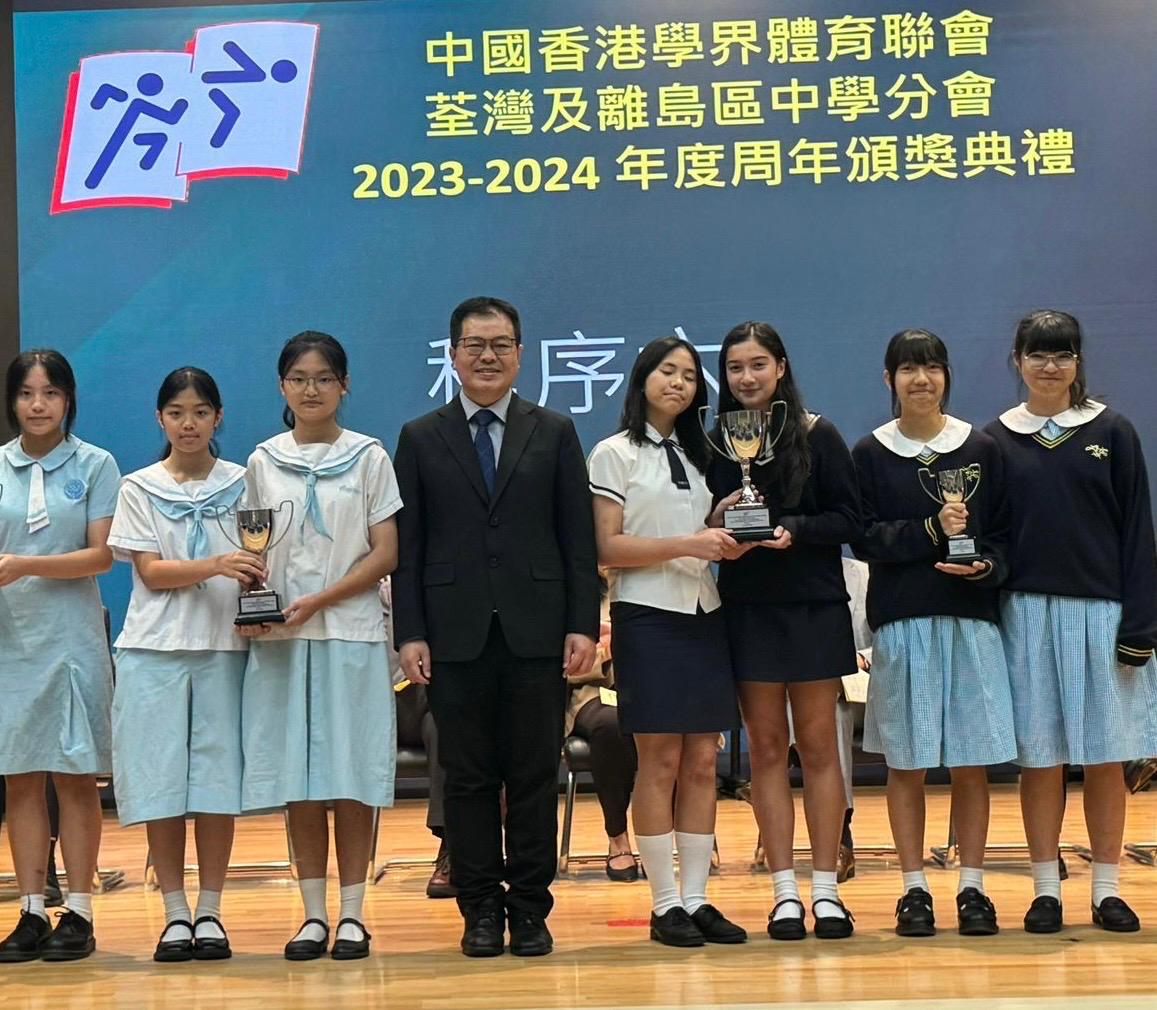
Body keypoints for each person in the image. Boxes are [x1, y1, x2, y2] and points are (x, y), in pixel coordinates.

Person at [393, 296, 599, 958]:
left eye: (501, 344)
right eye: (475, 345)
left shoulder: (554, 431)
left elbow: (576, 539)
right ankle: (479, 907)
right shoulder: (420, 436)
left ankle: (530, 909)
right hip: (452, 635)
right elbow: (409, 547)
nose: (488, 356)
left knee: (534, 774)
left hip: (537, 632)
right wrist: (410, 631)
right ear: (452, 355)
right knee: (467, 778)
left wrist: (582, 623)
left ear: (520, 354)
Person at [986, 310, 1157, 933]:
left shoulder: (1113, 431)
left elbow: (1137, 531)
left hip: (1102, 617)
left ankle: (1106, 890)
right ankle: (1045, 891)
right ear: (1017, 360)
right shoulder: (996, 440)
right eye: (1038, 354)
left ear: (1077, 362)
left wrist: (1141, 627)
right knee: (1040, 759)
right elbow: (993, 537)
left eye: (1062, 354)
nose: (1050, 365)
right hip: (1026, 616)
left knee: (1107, 759)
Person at [238, 332, 402, 961]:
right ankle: (312, 914)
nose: (311, 390)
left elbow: (385, 552)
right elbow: (252, 550)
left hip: (350, 633)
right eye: (299, 378)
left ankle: (354, 913)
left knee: (352, 775)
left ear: (344, 385)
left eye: (324, 378)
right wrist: (254, 602)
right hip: (284, 638)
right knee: (299, 778)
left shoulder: (369, 457)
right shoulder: (262, 461)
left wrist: (324, 598)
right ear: (283, 386)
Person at [852, 329, 1015, 937]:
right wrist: (928, 530)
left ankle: (972, 887)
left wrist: (986, 566)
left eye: (932, 368)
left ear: (946, 375)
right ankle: (913, 889)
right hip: (903, 624)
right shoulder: (870, 453)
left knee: (971, 765)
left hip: (971, 622)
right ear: (888, 379)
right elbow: (863, 538)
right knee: (907, 765)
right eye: (908, 369)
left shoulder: (981, 447)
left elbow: (1004, 537)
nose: (921, 379)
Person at [589, 335, 746, 947]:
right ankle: (663, 903)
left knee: (703, 760)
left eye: (688, 375)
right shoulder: (613, 452)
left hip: (705, 612)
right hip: (647, 615)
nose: (678, 383)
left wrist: (721, 525)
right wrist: (690, 543)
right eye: (666, 371)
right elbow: (607, 546)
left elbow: (700, 534)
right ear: (642, 379)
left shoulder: (703, 452)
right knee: (659, 760)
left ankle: (697, 898)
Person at [707, 322, 860, 941]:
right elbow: (701, 523)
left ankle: (826, 890)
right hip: (748, 610)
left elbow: (849, 519)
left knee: (818, 748)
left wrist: (794, 529)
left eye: (758, 364)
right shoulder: (716, 440)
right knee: (766, 751)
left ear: (781, 367)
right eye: (735, 367)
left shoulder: (818, 433)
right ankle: (784, 894)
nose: (747, 377)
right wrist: (718, 518)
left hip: (812, 607)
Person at [107, 367, 258, 962]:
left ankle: (211, 909)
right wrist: (217, 564)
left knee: (217, 784)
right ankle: (174, 912)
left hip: (224, 649)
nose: (188, 424)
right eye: (176, 413)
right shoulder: (138, 487)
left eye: (199, 412)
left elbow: (260, 560)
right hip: (153, 651)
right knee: (160, 783)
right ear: (160, 419)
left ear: (218, 417)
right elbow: (150, 573)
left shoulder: (245, 483)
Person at [0, 349, 119, 963]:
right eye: (26, 393)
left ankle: (79, 911)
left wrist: (24, 564)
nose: (38, 405)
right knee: (20, 779)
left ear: (68, 399)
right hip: (10, 640)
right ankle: (29, 910)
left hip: (72, 637)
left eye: (50, 393)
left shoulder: (96, 464)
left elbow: (102, 556)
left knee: (75, 778)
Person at [380, 578, 453, 898]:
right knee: (457, 711)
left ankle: (453, 845)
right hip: (382, 701)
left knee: (445, 726)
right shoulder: (374, 585)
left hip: (435, 703)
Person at [565, 576, 639, 882]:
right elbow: (567, 664)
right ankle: (618, 837)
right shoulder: (573, 585)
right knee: (613, 724)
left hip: (650, 686)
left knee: (679, 724)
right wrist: (606, 651)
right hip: (592, 692)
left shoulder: (645, 578)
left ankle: (670, 841)